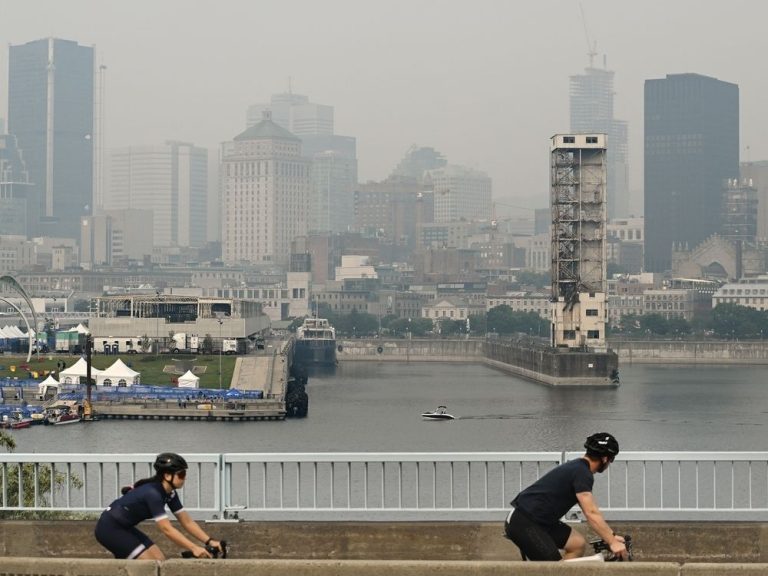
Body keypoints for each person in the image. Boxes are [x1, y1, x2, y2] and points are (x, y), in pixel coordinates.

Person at [504, 432, 628, 561]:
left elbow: (590, 509)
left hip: (541, 521)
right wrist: (612, 542)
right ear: (605, 459)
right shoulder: (582, 473)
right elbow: (591, 513)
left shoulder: (578, 467)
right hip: (524, 521)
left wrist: (611, 536)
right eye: (611, 459)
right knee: (553, 568)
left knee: (577, 544)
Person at [94, 452, 222, 559]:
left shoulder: (169, 493)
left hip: (125, 527)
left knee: (160, 561)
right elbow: (166, 529)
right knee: (149, 566)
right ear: (167, 476)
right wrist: (194, 548)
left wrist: (209, 541)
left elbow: (187, 522)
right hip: (109, 529)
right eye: (181, 474)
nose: (185, 478)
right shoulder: (153, 494)